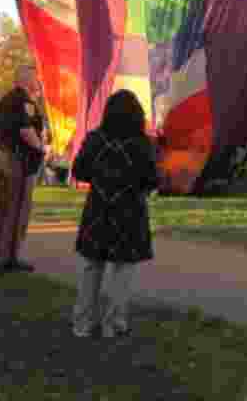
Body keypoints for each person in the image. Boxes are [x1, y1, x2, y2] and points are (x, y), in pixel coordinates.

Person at [71, 90, 158, 338]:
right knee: (123, 270)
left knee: (91, 267)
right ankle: (114, 324)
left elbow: (79, 171)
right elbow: (151, 180)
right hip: (129, 212)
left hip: (98, 209)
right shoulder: (142, 144)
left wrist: (101, 180)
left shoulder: (95, 139)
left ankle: (83, 323)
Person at [0, 66, 44, 273]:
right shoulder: (24, 102)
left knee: (3, 208)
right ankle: (9, 258)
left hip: (5, 155)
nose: (39, 82)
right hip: (19, 159)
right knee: (17, 208)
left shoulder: (5, 100)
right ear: (27, 80)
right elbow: (26, 129)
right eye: (36, 79)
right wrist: (41, 148)